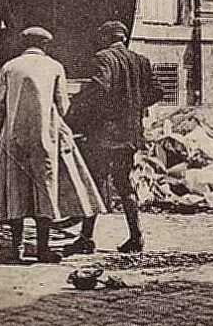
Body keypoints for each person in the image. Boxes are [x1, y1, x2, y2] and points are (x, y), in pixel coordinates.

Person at [0, 26, 106, 264]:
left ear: (25, 44)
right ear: (45, 45)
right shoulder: (54, 67)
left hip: (14, 137)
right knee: (45, 188)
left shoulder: (10, 67)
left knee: (15, 188)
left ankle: (17, 248)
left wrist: (13, 116)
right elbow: (63, 106)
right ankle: (43, 249)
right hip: (46, 139)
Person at [65, 20, 163, 255]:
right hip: (129, 134)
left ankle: (86, 238)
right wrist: (135, 105)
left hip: (105, 133)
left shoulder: (103, 58)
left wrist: (78, 108)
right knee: (124, 182)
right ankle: (136, 237)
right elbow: (158, 90)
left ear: (106, 38)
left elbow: (99, 88)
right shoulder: (141, 60)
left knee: (96, 183)